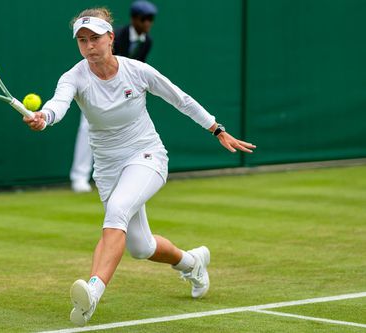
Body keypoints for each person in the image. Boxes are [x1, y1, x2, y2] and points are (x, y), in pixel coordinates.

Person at [23, 7, 256, 326]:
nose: (89, 46)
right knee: (140, 246)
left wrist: (216, 128)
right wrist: (44, 118)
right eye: (82, 40)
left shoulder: (137, 71)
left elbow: (181, 99)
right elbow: (58, 104)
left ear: (110, 37)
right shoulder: (74, 77)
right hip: (107, 169)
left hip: (147, 156)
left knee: (116, 211)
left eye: (95, 38)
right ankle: (192, 263)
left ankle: (92, 293)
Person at [69, 1, 158, 193]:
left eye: (151, 19)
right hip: (95, 93)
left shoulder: (147, 41)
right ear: (135, 19)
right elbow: (102, 65)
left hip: (124, 95)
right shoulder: (114, 36)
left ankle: (133, 170)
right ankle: (79, 177)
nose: (148, 23)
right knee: (87, 129)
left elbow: (134, 70)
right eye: (145, 19)